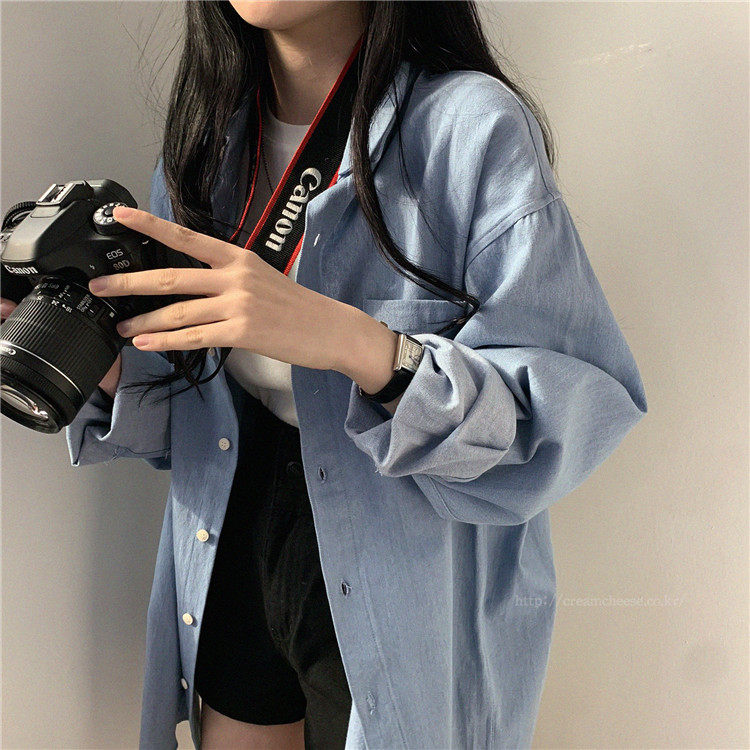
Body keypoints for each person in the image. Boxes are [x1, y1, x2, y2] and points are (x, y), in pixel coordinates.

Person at [20, 1, 649, 748]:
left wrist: (355, 343)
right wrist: (90, 357)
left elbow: (561, 420)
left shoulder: (470, 128)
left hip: (407, 560)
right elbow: (199, 422)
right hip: (233, 529)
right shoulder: (206, 148)